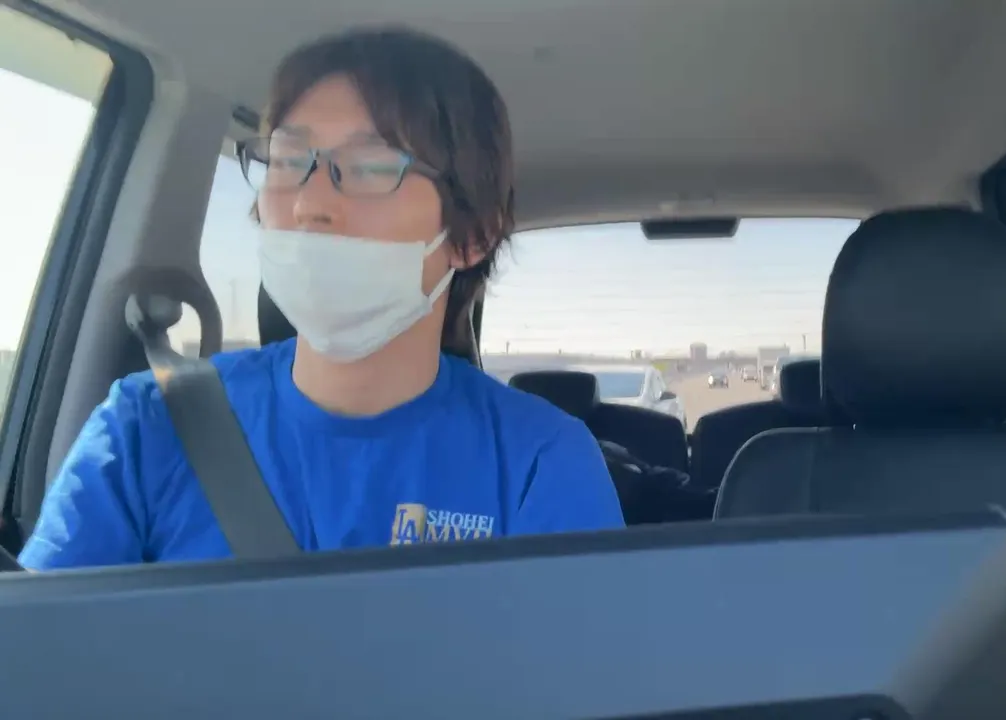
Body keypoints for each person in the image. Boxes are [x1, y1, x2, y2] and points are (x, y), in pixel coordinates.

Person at [19, 27, 624, 569]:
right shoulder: (146, 426)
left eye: (370, 166)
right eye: (288, 160)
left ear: (473, 236)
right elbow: (39, 649)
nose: (309, 202)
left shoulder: (540, 461)